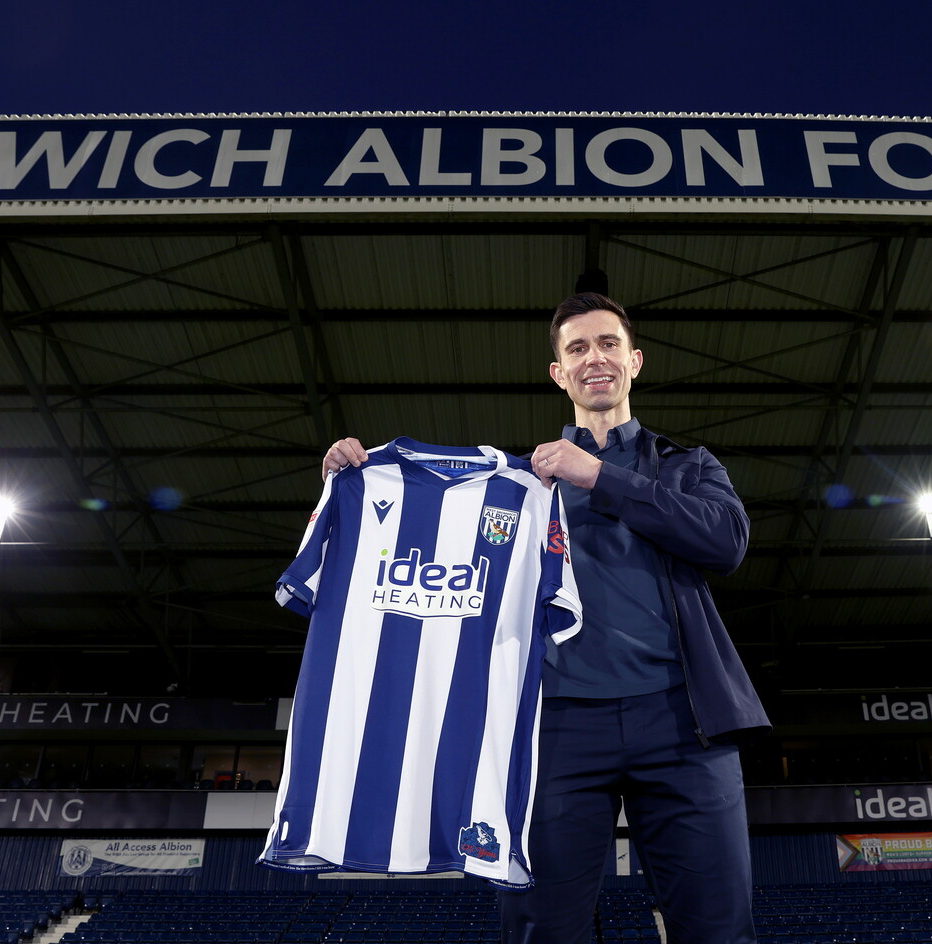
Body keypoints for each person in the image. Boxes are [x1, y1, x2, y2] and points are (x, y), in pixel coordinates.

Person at [322, 292, 768, 944]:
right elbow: (421, 556)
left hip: (682, 724)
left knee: (720, 929)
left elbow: (725, 542)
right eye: (578, 348)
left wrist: (602, 478)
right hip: (553, 728)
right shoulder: (516, 485)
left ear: (634, 361)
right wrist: (359, 484)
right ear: (558, 372)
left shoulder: (686, 466)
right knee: (541, 931)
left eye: (609, 344)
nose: (596, 358)